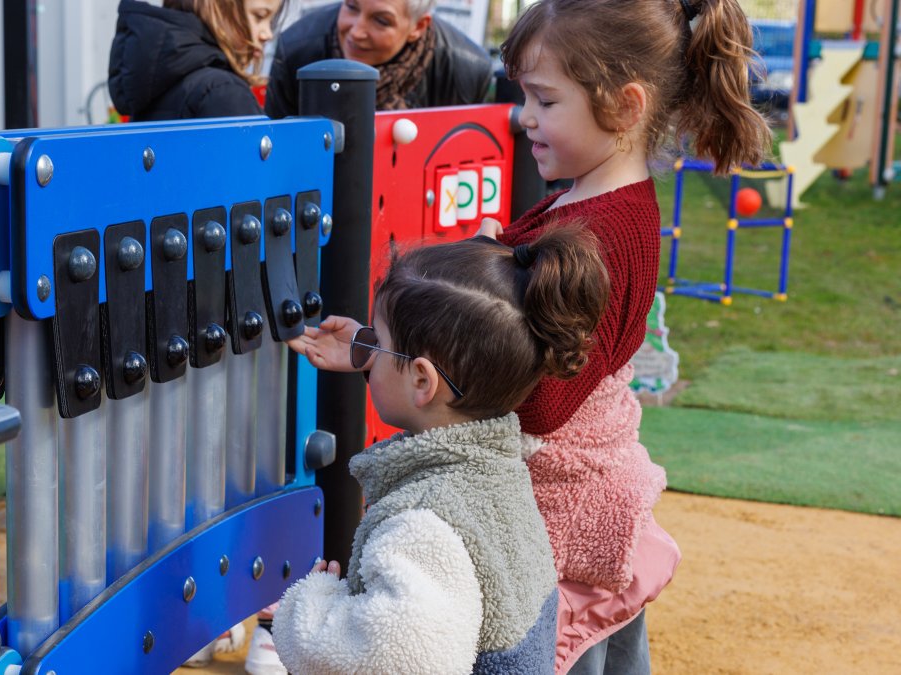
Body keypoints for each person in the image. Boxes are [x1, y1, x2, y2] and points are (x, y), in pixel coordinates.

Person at [289, 0, 773, 672]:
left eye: (545, 100)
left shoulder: (601, 235)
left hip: (562, 517)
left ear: (625, 106)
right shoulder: (590, 203)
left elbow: (544, 403)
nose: (524, 118)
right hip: (565, 506)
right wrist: (376, 347)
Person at [273, 228, 609, 673]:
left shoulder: (424, 524)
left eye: (380, 342)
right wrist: (372, 354)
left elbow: (391, 658)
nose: (371, 350)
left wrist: (313, 607)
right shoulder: (495, 475)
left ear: (422, 380)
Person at [264, 0, 491, 117]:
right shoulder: (296, 49)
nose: (356, 32)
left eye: (381, 21)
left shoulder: (465, 70)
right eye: (351, 7)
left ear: (418, 27)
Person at [109, 0, 285, 121]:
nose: (267, 34)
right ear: (217, 7)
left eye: (271, 21)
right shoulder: (222, 91)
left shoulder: (158, 79)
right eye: (259, 16)